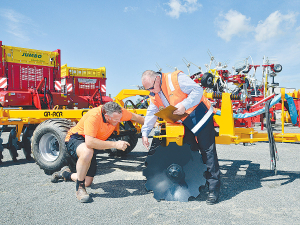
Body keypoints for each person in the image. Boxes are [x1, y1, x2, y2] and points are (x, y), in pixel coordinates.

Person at [141, 70, 220, 204]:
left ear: (157, 78)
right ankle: (196, 180)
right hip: (184, 120)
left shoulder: (175, 78)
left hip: (200, 116)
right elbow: (151, 111)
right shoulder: (154, 92)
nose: (151, 91)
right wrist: (145, 132)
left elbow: (197, 90)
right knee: (191, 151)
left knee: (207, 151)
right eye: (148, 89)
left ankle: (214, 189)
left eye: (151, 87)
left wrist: (184, 105)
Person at [51, 101, 144, 203]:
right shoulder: (94, 116)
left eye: (120, 118)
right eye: (116, 119)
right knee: (87, 152)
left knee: (88, 182)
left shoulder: (118, 113)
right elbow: (90, 142)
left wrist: (153, 124)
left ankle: (64, 174)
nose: (119, 121)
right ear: (106, 116)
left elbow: (136, 117)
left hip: (93, 140)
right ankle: (80, 188)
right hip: (77, 138)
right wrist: (115, 144)